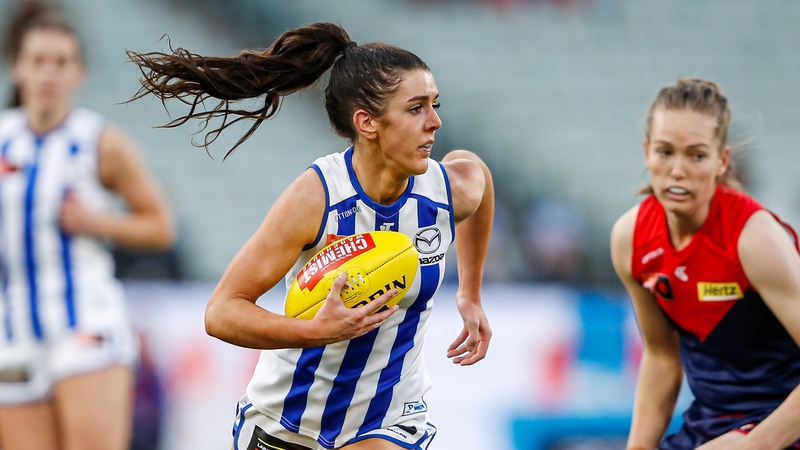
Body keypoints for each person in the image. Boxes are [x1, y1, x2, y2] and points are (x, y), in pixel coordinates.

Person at [128, 21, 494, 450]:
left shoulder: (446, 190)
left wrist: (470, 293)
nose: (435, 121)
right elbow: (222, 312)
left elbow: (478, 177)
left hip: (391, 416)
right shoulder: (317, 197)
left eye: (434, 104)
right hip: (287, 421)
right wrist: (317, 331)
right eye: (416, 108)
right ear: (368, 123)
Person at [0, 2, 174, 450]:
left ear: (78, 72)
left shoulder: (100, 141)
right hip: (13, 333)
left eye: (61, 63)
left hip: (85, 326)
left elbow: (160, 226)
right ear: (17, 67)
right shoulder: (3, 138)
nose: (49, 74)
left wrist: (96, 221)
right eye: (38, 61)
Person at [610, 78, 800, 450]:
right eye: (665, 152)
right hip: (711, 424)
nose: (678, 170)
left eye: (696, 155)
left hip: (783, 425)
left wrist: (757, 443)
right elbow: (662, 356)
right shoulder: (630, 239)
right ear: (647, 153)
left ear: (721, 160)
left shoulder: (754, 240)